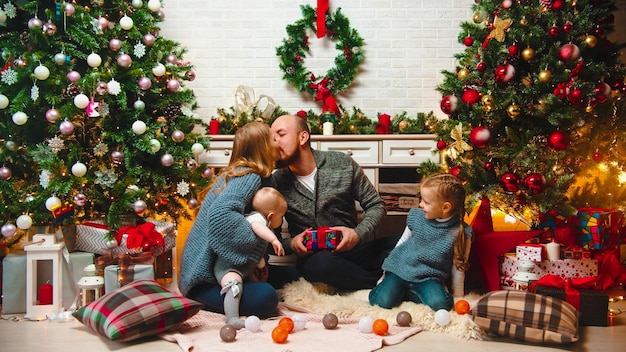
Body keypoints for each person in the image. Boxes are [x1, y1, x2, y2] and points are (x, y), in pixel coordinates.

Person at [269, 114, 400, 291]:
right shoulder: (276, 182)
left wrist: (357, 234)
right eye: (272, 138)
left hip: (355, 250)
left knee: (404, 242)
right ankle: (378, 285)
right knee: (321, 265)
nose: (274, 142)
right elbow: (271, 240)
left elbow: (376, 205)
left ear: (303, 137)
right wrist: (292, 244)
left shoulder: (341, 163)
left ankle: (361, 280)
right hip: (317, 259)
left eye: (281, 134)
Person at [178, 121, 280, 328]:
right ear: (262, 147)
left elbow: (250, 219)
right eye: (273, 138)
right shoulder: (248, 176)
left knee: (290, 276)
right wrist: (254, 248)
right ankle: (219, 302)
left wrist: (256, 264)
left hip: (223, 268)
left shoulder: (254, 176)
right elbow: (221, 216)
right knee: (267, 298)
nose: (277, 142)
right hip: (204, 280)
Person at [368, 173, 473, 311]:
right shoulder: (417, 217)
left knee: (441, 305)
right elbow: (401, 242)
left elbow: (458, 267)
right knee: (381, 301)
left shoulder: (461, 232)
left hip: (428, 277)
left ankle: (409, 293)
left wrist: (459, 297)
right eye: (421, 199)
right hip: (400, 270)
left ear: (445, 207)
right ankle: (398, 289)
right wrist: (384, 275)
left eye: (426, 202)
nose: (420, 204)